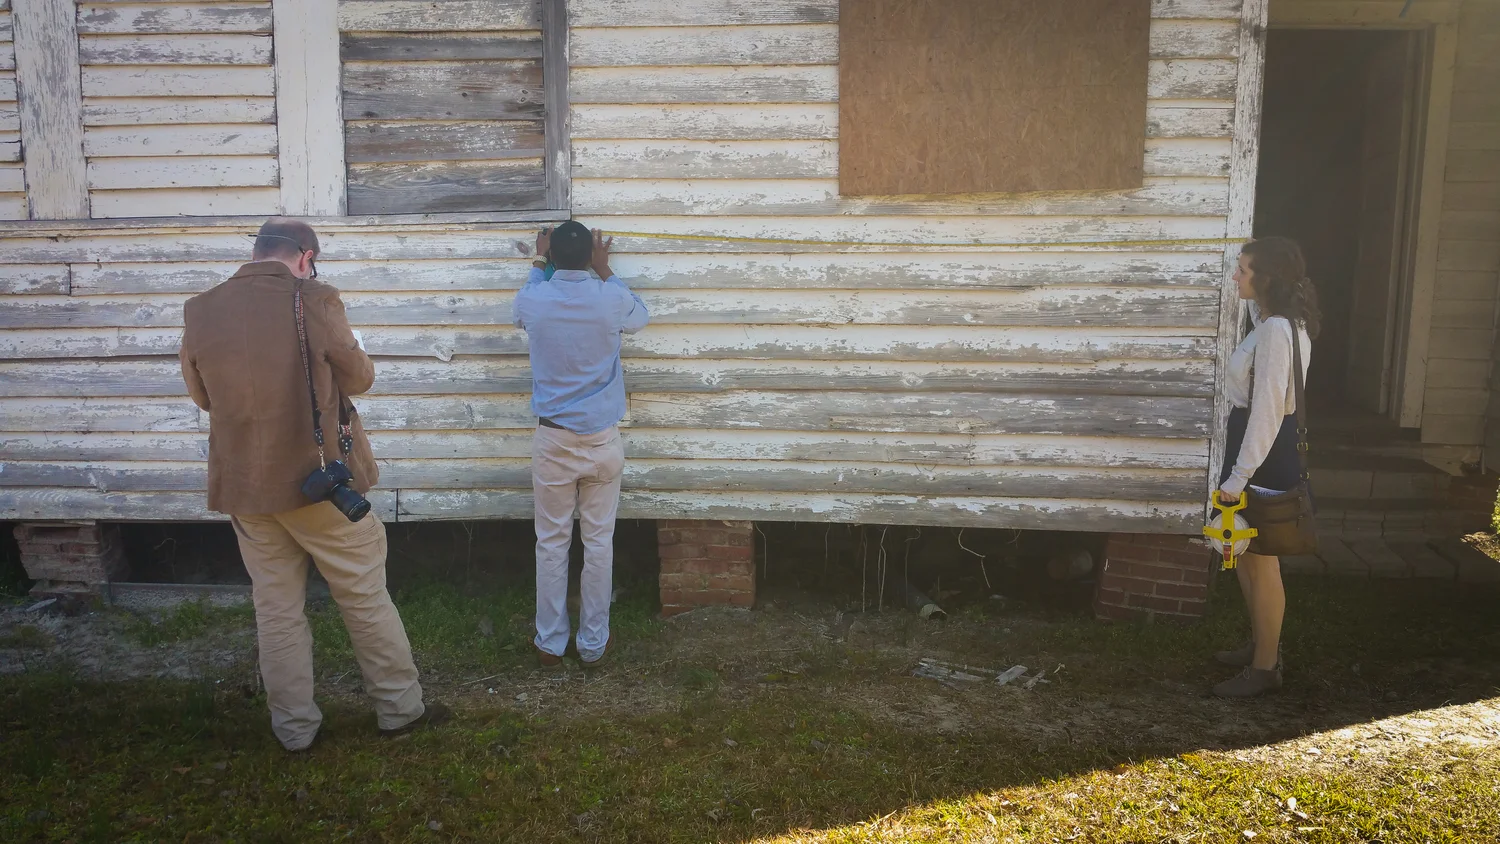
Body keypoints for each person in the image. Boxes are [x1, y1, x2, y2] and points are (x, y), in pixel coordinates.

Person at [179, 218, 448, 750]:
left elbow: (203, 397)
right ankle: (400, 710)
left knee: (275, 609)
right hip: (318, 484)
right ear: (306, 257)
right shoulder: (316, 298)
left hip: (247, 489)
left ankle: (295, 730)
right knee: (364, 596)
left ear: (257, 252)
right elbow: (360, 378)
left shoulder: (201, 308)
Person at [512, 221, 649, 669]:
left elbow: (522, 311)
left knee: (551, 542)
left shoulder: (535, 296)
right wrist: (605, 269)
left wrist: (540, 260)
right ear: (591, 255)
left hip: (552, 439)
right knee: (599, 541)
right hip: (601, 440)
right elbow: (640, 318)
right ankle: (593, 644)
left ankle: (550, 643)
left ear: (551, 257)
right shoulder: (609, 298)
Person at [1212, 236, 1321, 698]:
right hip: (1253, 447)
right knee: (1244, 557)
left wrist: (1239, 477)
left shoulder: (1279, 330)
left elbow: (1269, 410)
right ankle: (1262, 643)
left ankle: (1265, 666)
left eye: (1244, 269)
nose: (1236, 275)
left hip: (1263, 452)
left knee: (1263, 563)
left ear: (1267, 277)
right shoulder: (1274, 324)